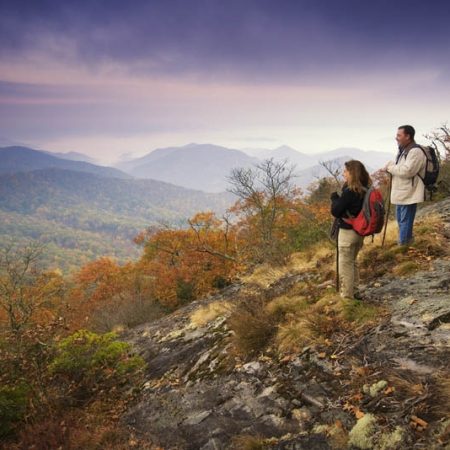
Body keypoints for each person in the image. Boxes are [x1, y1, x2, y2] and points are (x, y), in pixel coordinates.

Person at [330, 160, 372, 300]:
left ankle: (347, 297)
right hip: (360, 232)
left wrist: (335, 198)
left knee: (345, 264)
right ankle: (355, 291)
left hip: (348, 232)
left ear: (352, 173)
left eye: (345, 171)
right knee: (352, 262)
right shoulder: (366, 189)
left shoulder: (350, 191)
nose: (343, 173)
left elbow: (336, 211)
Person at [382, 125, 427, 246]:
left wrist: (390, 168)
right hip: (402, 191)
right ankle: (405, 242)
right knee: (401, 220)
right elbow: (402, 166)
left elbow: (407, 171)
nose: (396, 138)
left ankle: (404, 245)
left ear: (408, 136)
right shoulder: (405, 150)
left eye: (399, 135)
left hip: (409, 192)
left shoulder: (415, 151)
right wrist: (390, 166)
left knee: (405, 220)